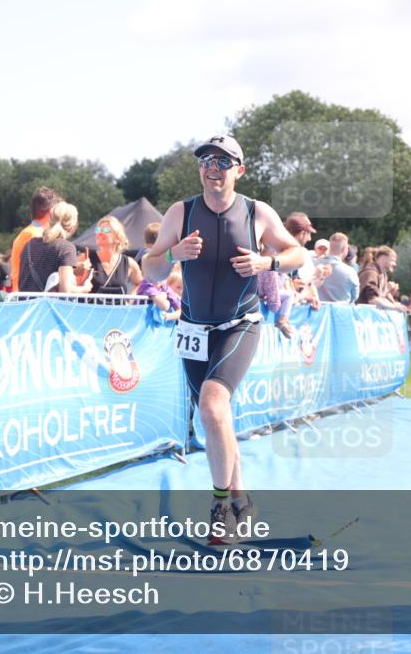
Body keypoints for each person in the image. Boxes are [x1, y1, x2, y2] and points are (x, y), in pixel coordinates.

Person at [141, 134, 305, 544]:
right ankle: (242, 499)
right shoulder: (181, 212)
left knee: (214, 405)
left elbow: (299, 255)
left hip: (239, 325)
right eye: (205, 161)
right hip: (192, 329)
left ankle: (221, 509)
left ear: (239, 169)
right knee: (214, 418)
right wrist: (173, 254)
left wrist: (266, 261)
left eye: (222, 162)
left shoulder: (256, 212)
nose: (212, 168)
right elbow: (151, 269)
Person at [18, 202, 94, 294]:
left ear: (50, 221)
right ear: (72, 227)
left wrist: (73, 268)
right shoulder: (66, 247)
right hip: (47, 307)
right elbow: (66, 291)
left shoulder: (29, 244)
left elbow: (42, 270)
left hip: (25, 305)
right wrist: (85, 288)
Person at [11, 187, 61, 291]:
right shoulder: (33, 234)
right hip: (28, 298)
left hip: (26, 296)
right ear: (51, 212)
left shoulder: (30, 232)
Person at [86, 216, 144, 297]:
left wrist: (130, 300)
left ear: (117, 238)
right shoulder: (87, 259)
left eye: (105, 230)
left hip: (119, 309)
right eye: (98, 230)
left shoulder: (129, 263)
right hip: (92, 309)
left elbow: (141, 284)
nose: (100, 233)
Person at [314, 232, 359, 304]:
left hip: (315, 311)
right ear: (345, 248)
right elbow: (355, 297)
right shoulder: (350, 271)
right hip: (341, 313)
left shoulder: (312, 265)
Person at [356, 246, 403, 310]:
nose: (395, 264)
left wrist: (393, 304)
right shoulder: (371, 274)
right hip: (363, 316)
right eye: (392, 260)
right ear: (383, 259)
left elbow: (379, 298)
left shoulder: (382, 274)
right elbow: (373, 300)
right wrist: (394, 307)